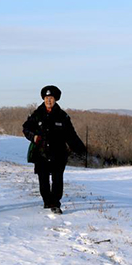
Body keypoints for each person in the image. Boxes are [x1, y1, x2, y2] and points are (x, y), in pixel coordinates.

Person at [22, 85, 86, 214]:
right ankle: (47, 200)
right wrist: (33, 137)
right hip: (41, 153)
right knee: (43, 180)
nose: (48, 100)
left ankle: (55, 203)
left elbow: (71, 135)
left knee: (57, 179)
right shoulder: (37, 114)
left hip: (58, 153)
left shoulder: (63, 116)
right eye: (46, 98)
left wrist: (80, 149)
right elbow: (26, 128)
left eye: (51, 98)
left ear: (56, 99)